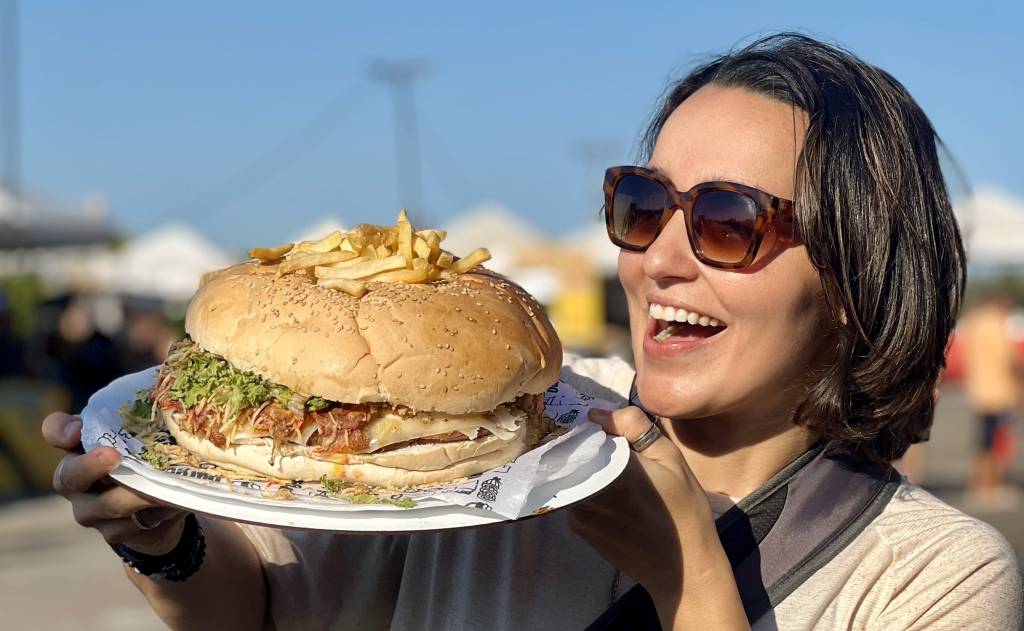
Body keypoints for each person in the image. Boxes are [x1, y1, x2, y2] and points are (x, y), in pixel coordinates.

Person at [42, 33, 1022, 630]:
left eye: (727, 220)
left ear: (854, 280)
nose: (659, 260)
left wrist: (684, 577)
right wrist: (166, 541)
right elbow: (259, 612)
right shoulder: (507, 429)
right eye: (644, 204)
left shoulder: (933, 578)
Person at [962, 293, 1021, 505]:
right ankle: (992, 485)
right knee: (997, 440)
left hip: (979, 389)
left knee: (983, 440)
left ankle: (979, 483)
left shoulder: (975, 323)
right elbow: (1008, 359)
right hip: (999, 391)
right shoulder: (996, 325)